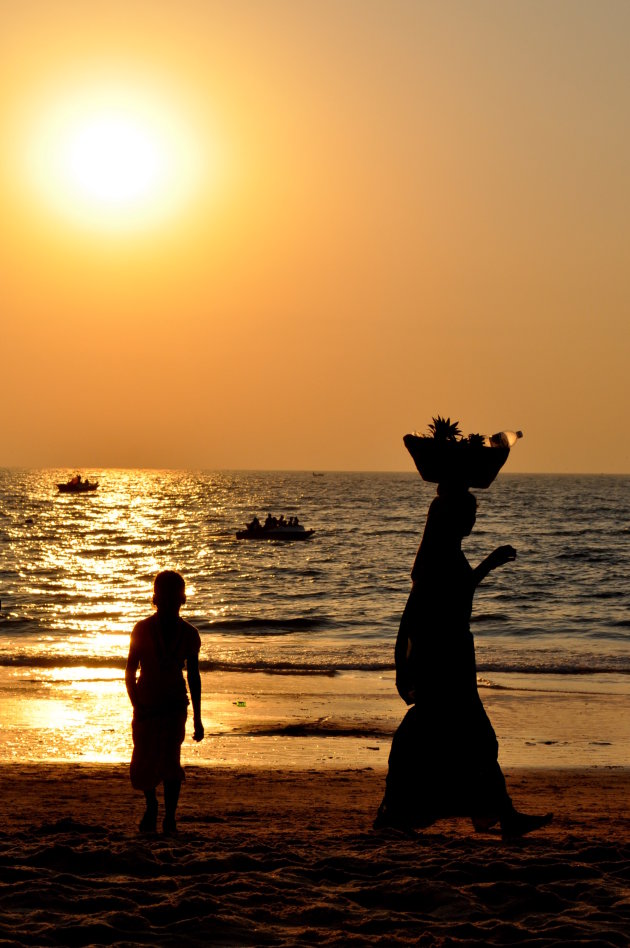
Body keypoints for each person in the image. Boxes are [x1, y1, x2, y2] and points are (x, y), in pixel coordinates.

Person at [375, 486, 552, 839]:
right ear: (451, 518)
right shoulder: (436, 560)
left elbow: (456, 594)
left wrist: (487, 564)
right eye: (468, 515)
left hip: (453, 657)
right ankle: (500, 815)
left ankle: (399, 813)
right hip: (442, 661)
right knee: (469, 740)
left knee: (437, 740)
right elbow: (417, 615)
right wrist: (403, 665)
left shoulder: (445, 554)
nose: (473, 520)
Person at [125, 571, 204, 835]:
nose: (170, 602)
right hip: (146, 704)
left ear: (182, 599)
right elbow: (130, 671)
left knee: (170, 762)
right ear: (155, 599)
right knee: (143, 762)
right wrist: (136, 703)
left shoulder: (190, 635)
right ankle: (151, 806)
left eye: (175, 597)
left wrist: (198, 717)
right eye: (165, 597)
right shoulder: (142, 629)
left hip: (173, 705)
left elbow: (193, 676)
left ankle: (169, 817)